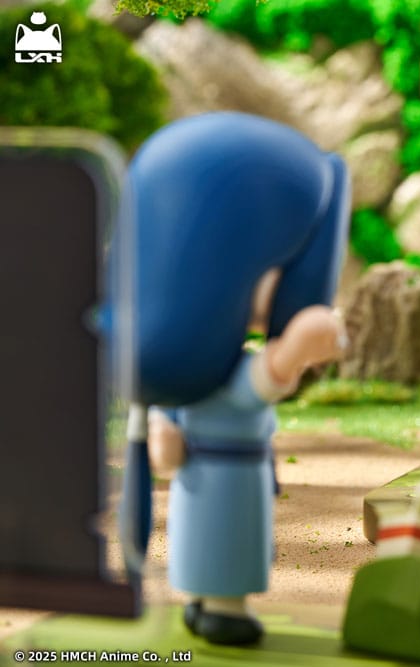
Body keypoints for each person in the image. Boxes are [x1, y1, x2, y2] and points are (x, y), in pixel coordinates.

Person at [122, 112, 350, 645]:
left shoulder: (202, 369)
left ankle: (210, 603)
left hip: (231, 478)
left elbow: (259, 380)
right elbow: (264, 379)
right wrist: (297, 346)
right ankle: (218, 607)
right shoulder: (191, 375)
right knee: (219, 546)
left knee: (218, 544)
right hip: (220, 480)